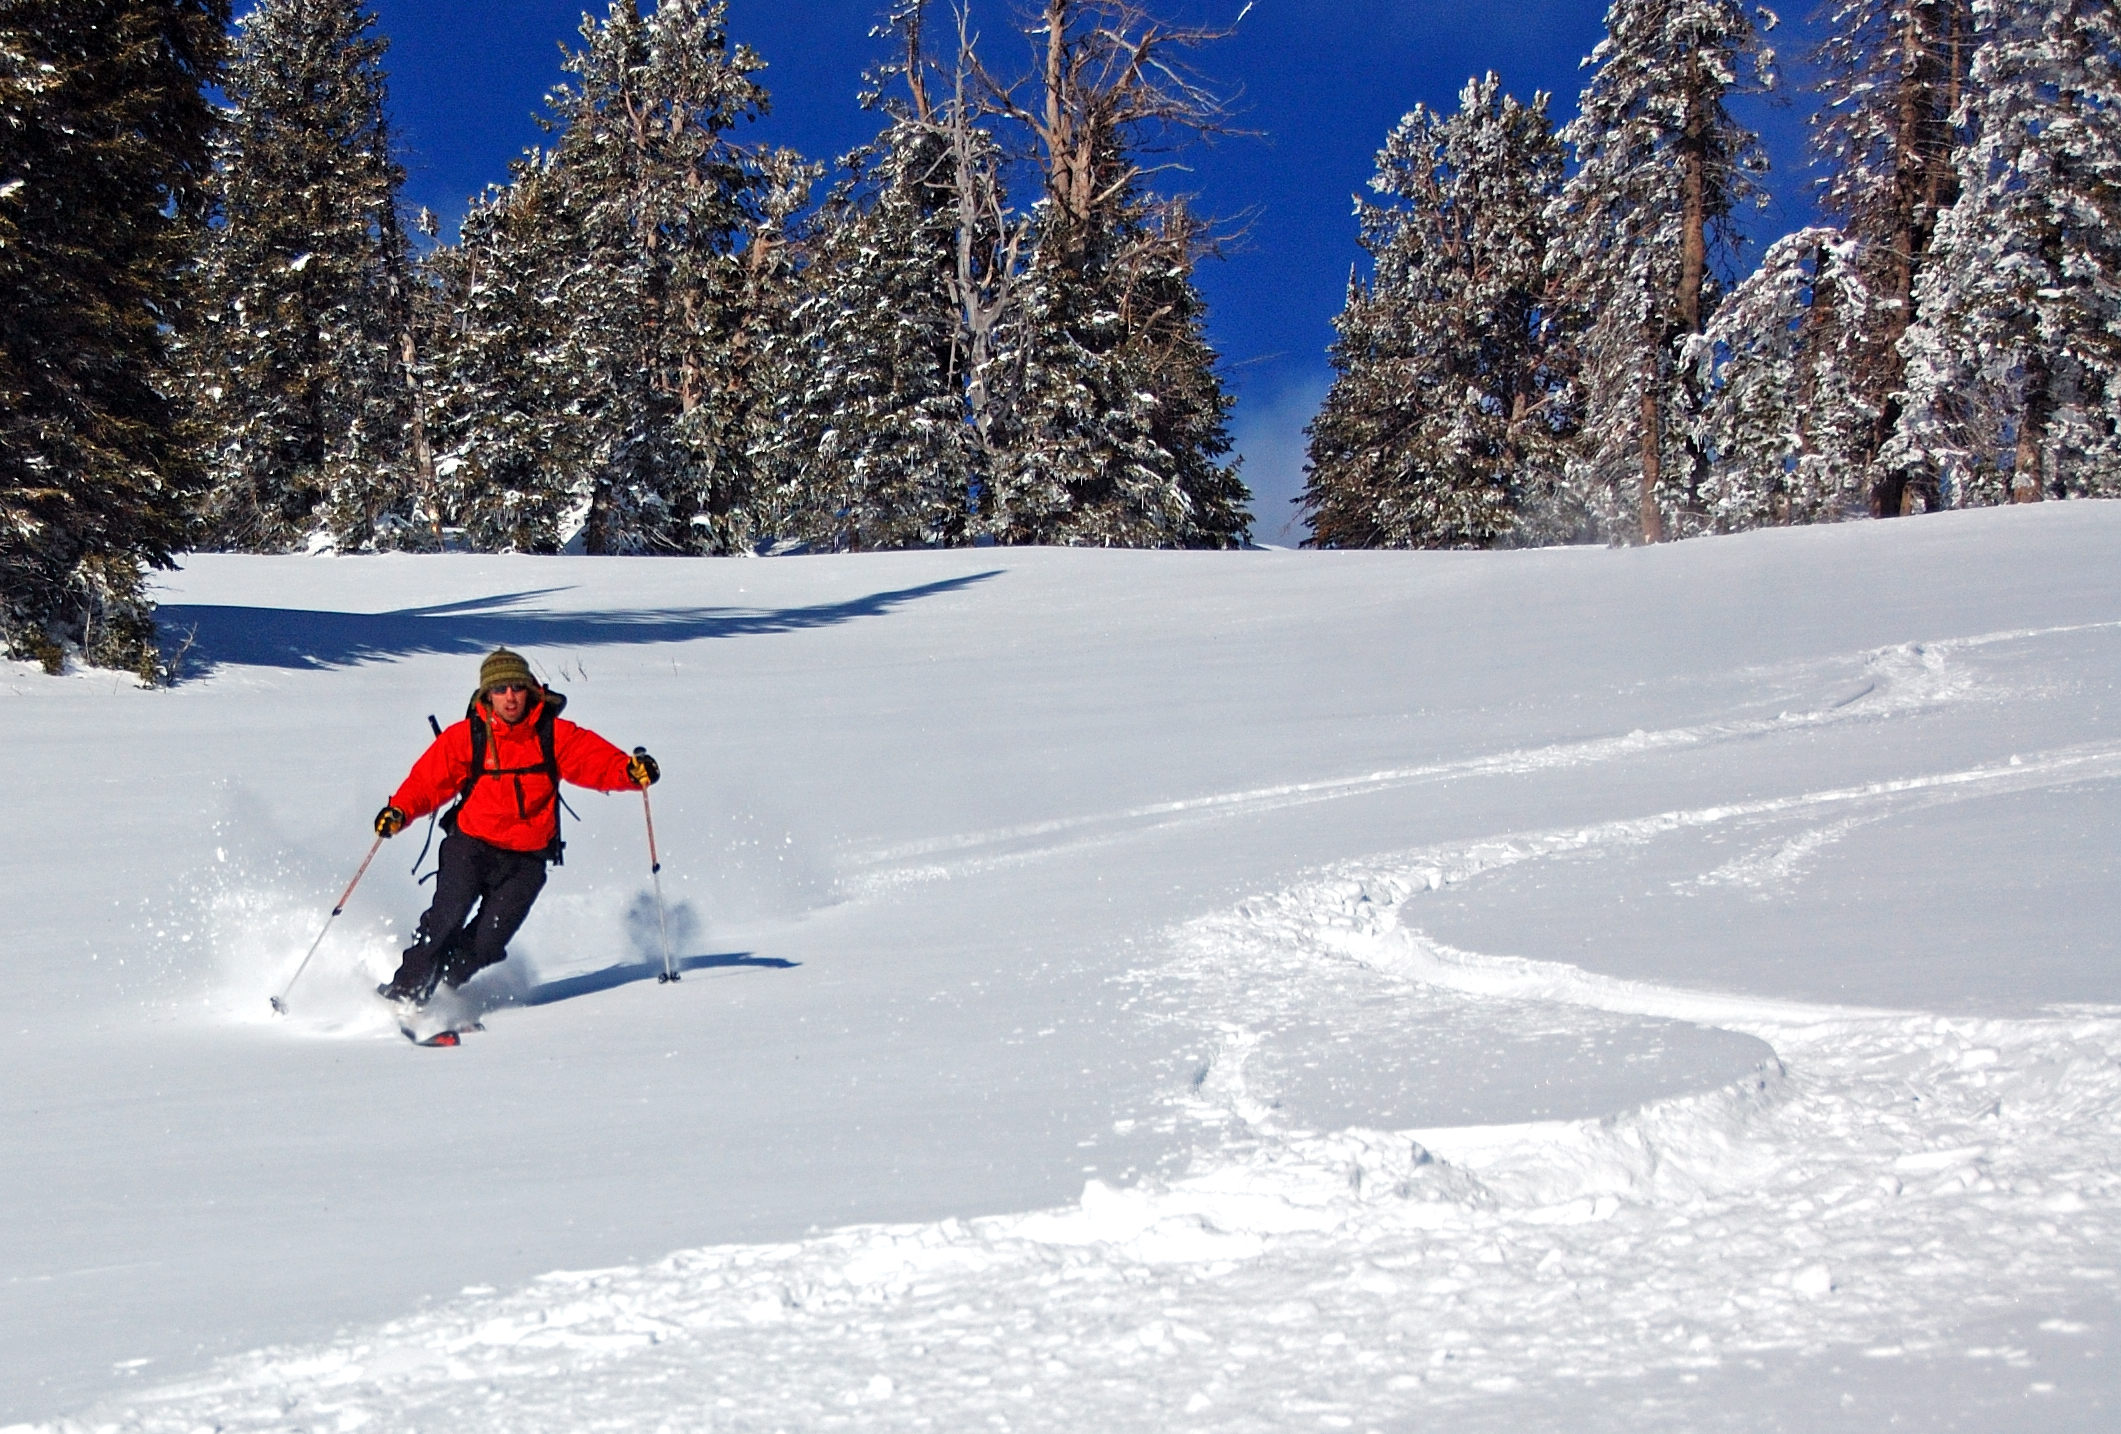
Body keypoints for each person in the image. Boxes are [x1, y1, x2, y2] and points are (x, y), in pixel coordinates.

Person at [371, 647, 659, 1006]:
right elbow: (429, 782)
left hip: (527, 860)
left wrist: (629, 772)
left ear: (531, 690)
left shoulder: (553, 734)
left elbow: (593, 761)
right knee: (446, 919)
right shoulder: (466, 737)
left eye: (517, 688)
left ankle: (442, 988)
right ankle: (403, 993)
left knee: (488, 943)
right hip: (471, 846)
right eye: (500, 689)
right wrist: (398, 811)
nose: (510, 697)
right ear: (487, 695)